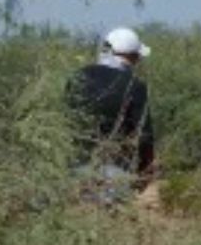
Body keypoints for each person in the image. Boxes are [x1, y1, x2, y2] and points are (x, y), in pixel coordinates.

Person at [66, 26, 157, 204]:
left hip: (75, 169)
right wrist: (144, 172)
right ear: (130, 57)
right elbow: (144, 137)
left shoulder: (77, 77)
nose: (138, 61)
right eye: (137, 56)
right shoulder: (134, 86)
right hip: (115, 172)